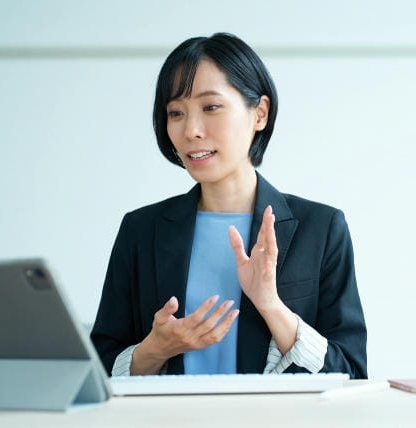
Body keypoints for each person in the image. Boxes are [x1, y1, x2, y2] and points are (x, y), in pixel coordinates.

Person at [90, 32, 367, 378]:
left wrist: (271, 306)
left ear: (260, 113)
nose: (191, 130)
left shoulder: (321, 228)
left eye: (211, 107)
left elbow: (351, 372)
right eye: (176, 112)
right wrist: (155, 349)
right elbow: (98, 371)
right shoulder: (141, 230)